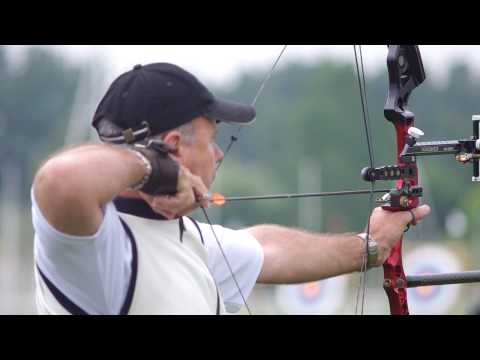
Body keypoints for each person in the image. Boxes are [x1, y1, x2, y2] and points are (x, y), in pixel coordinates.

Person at [31, 62, 431, 315]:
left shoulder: (186, 237)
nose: (219, 154)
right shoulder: (95, 250)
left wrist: (371, 245)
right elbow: (59, 181)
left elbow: (267, 248)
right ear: (173, 147)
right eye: (211, 139)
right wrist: (154, 169)